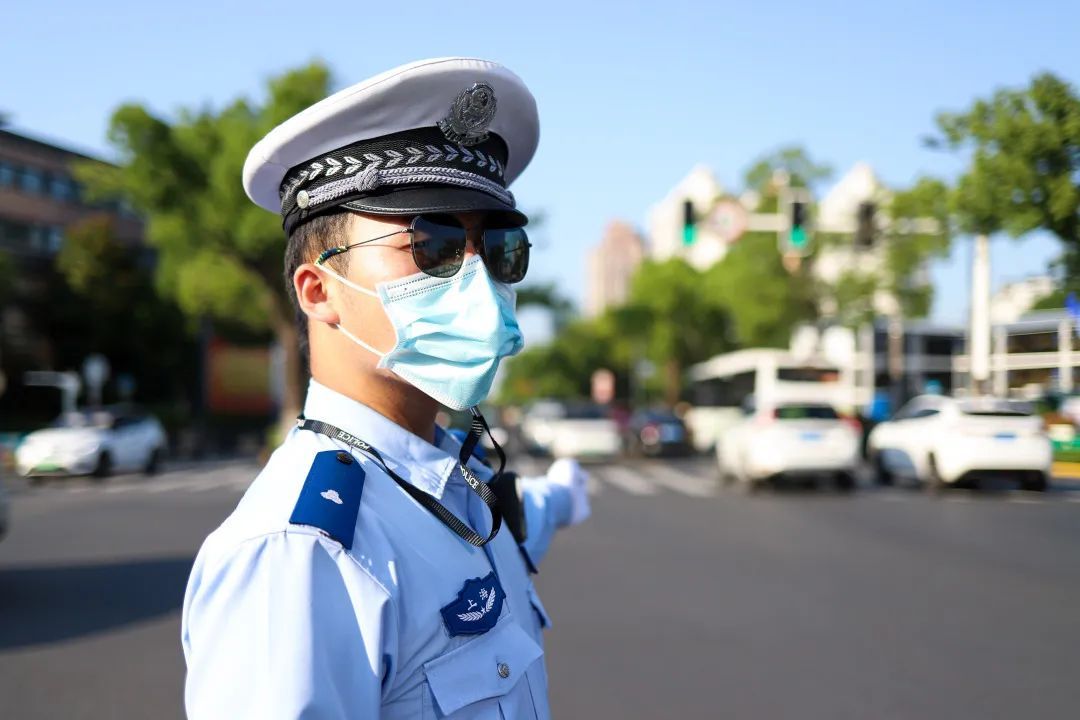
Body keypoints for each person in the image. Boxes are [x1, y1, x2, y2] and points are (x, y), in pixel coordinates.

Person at [181, 57, 590, 719]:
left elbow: (531, 512)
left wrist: (567, 495)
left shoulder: (458, 484)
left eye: (498, 249)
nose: (478, 281)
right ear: (319, 291)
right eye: (432, 243)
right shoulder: (303, 555)